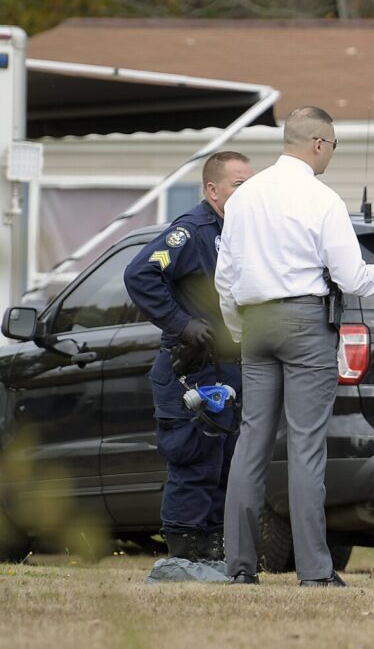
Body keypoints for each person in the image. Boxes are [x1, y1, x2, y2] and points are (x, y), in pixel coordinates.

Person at [215, 106, 374, 587]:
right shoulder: (322, 198)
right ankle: (314, 571)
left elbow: (225, 277)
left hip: (255, 322)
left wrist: (240, 329)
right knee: (305, 446)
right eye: (333, 147)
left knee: (251, 444)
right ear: (319, 144)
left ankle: (239, 566)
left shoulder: (244, 197)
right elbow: (351, 277)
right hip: (305, 322)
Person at [123, 151, 254, 562]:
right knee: (195, 462)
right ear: (213, 190)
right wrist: (182, 324)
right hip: (191, 369)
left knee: (225, 466)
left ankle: (214, 554)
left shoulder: (242, 232)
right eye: (239, 185)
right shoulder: (192, 231)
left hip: (230, 368)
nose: (248, 192)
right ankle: (184, 555)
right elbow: (140, 274)